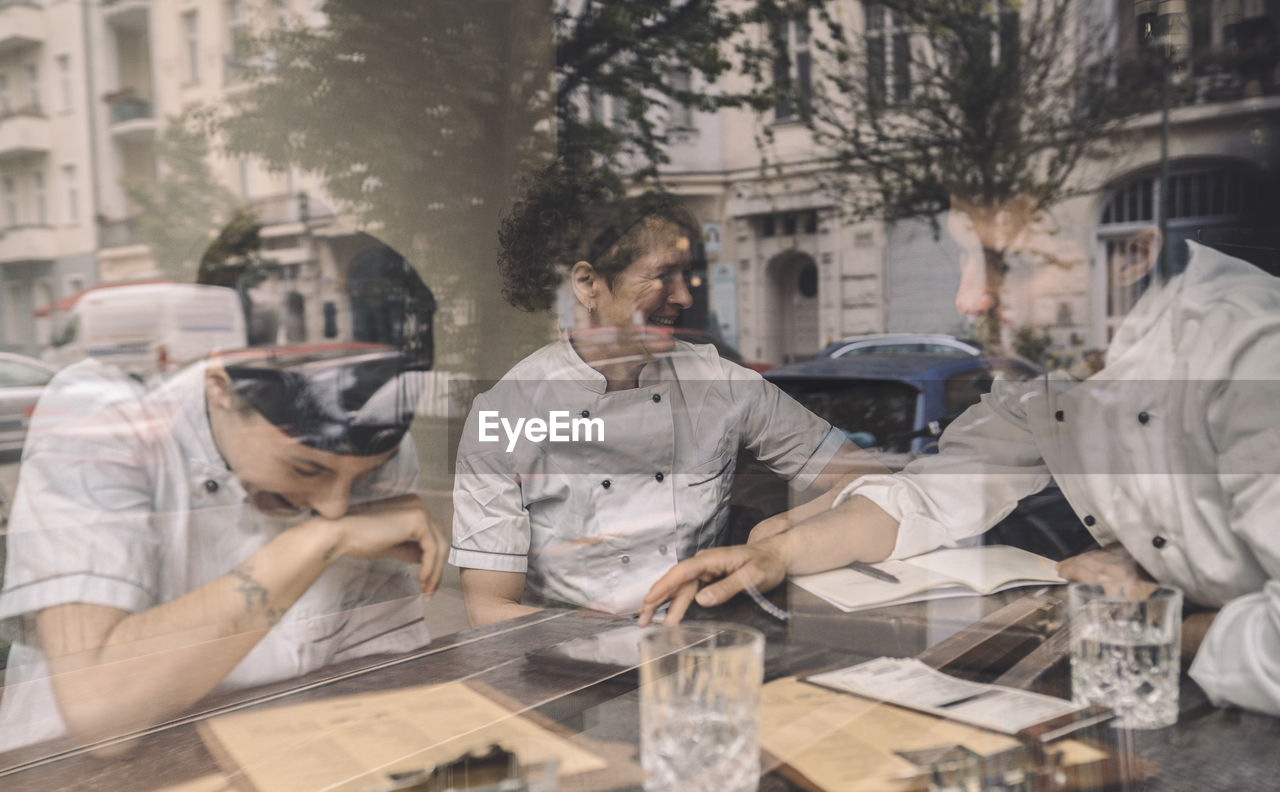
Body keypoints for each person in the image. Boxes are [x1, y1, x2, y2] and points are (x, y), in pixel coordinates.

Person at [641, 205, 1280, 718]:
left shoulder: (1254, 350)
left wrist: (1145, 611)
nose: (971, 298)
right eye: (969, 259)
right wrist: (779, 554)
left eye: (1012, 265)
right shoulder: (1061, 361)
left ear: (1131, 256)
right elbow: (930, 497)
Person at [0, 261, 447, 752]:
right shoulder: (100, 419)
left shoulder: (377, 456)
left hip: (280, 754)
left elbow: (378, 666)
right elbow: (102, 709)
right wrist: (316, 542)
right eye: (305, 470)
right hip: (62, 782)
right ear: (221, 385)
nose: (337, 505)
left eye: (359, 476)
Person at [451, 163, 881, 626]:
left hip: (698, 651)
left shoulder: (720, 384)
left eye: (688, 276)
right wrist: (620, 645)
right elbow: (489, 609)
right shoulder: (505, 413)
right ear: (588, 283)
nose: (684, 297)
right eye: (664, 276)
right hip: (566, 669)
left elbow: (864, 480)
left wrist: (775, 542)